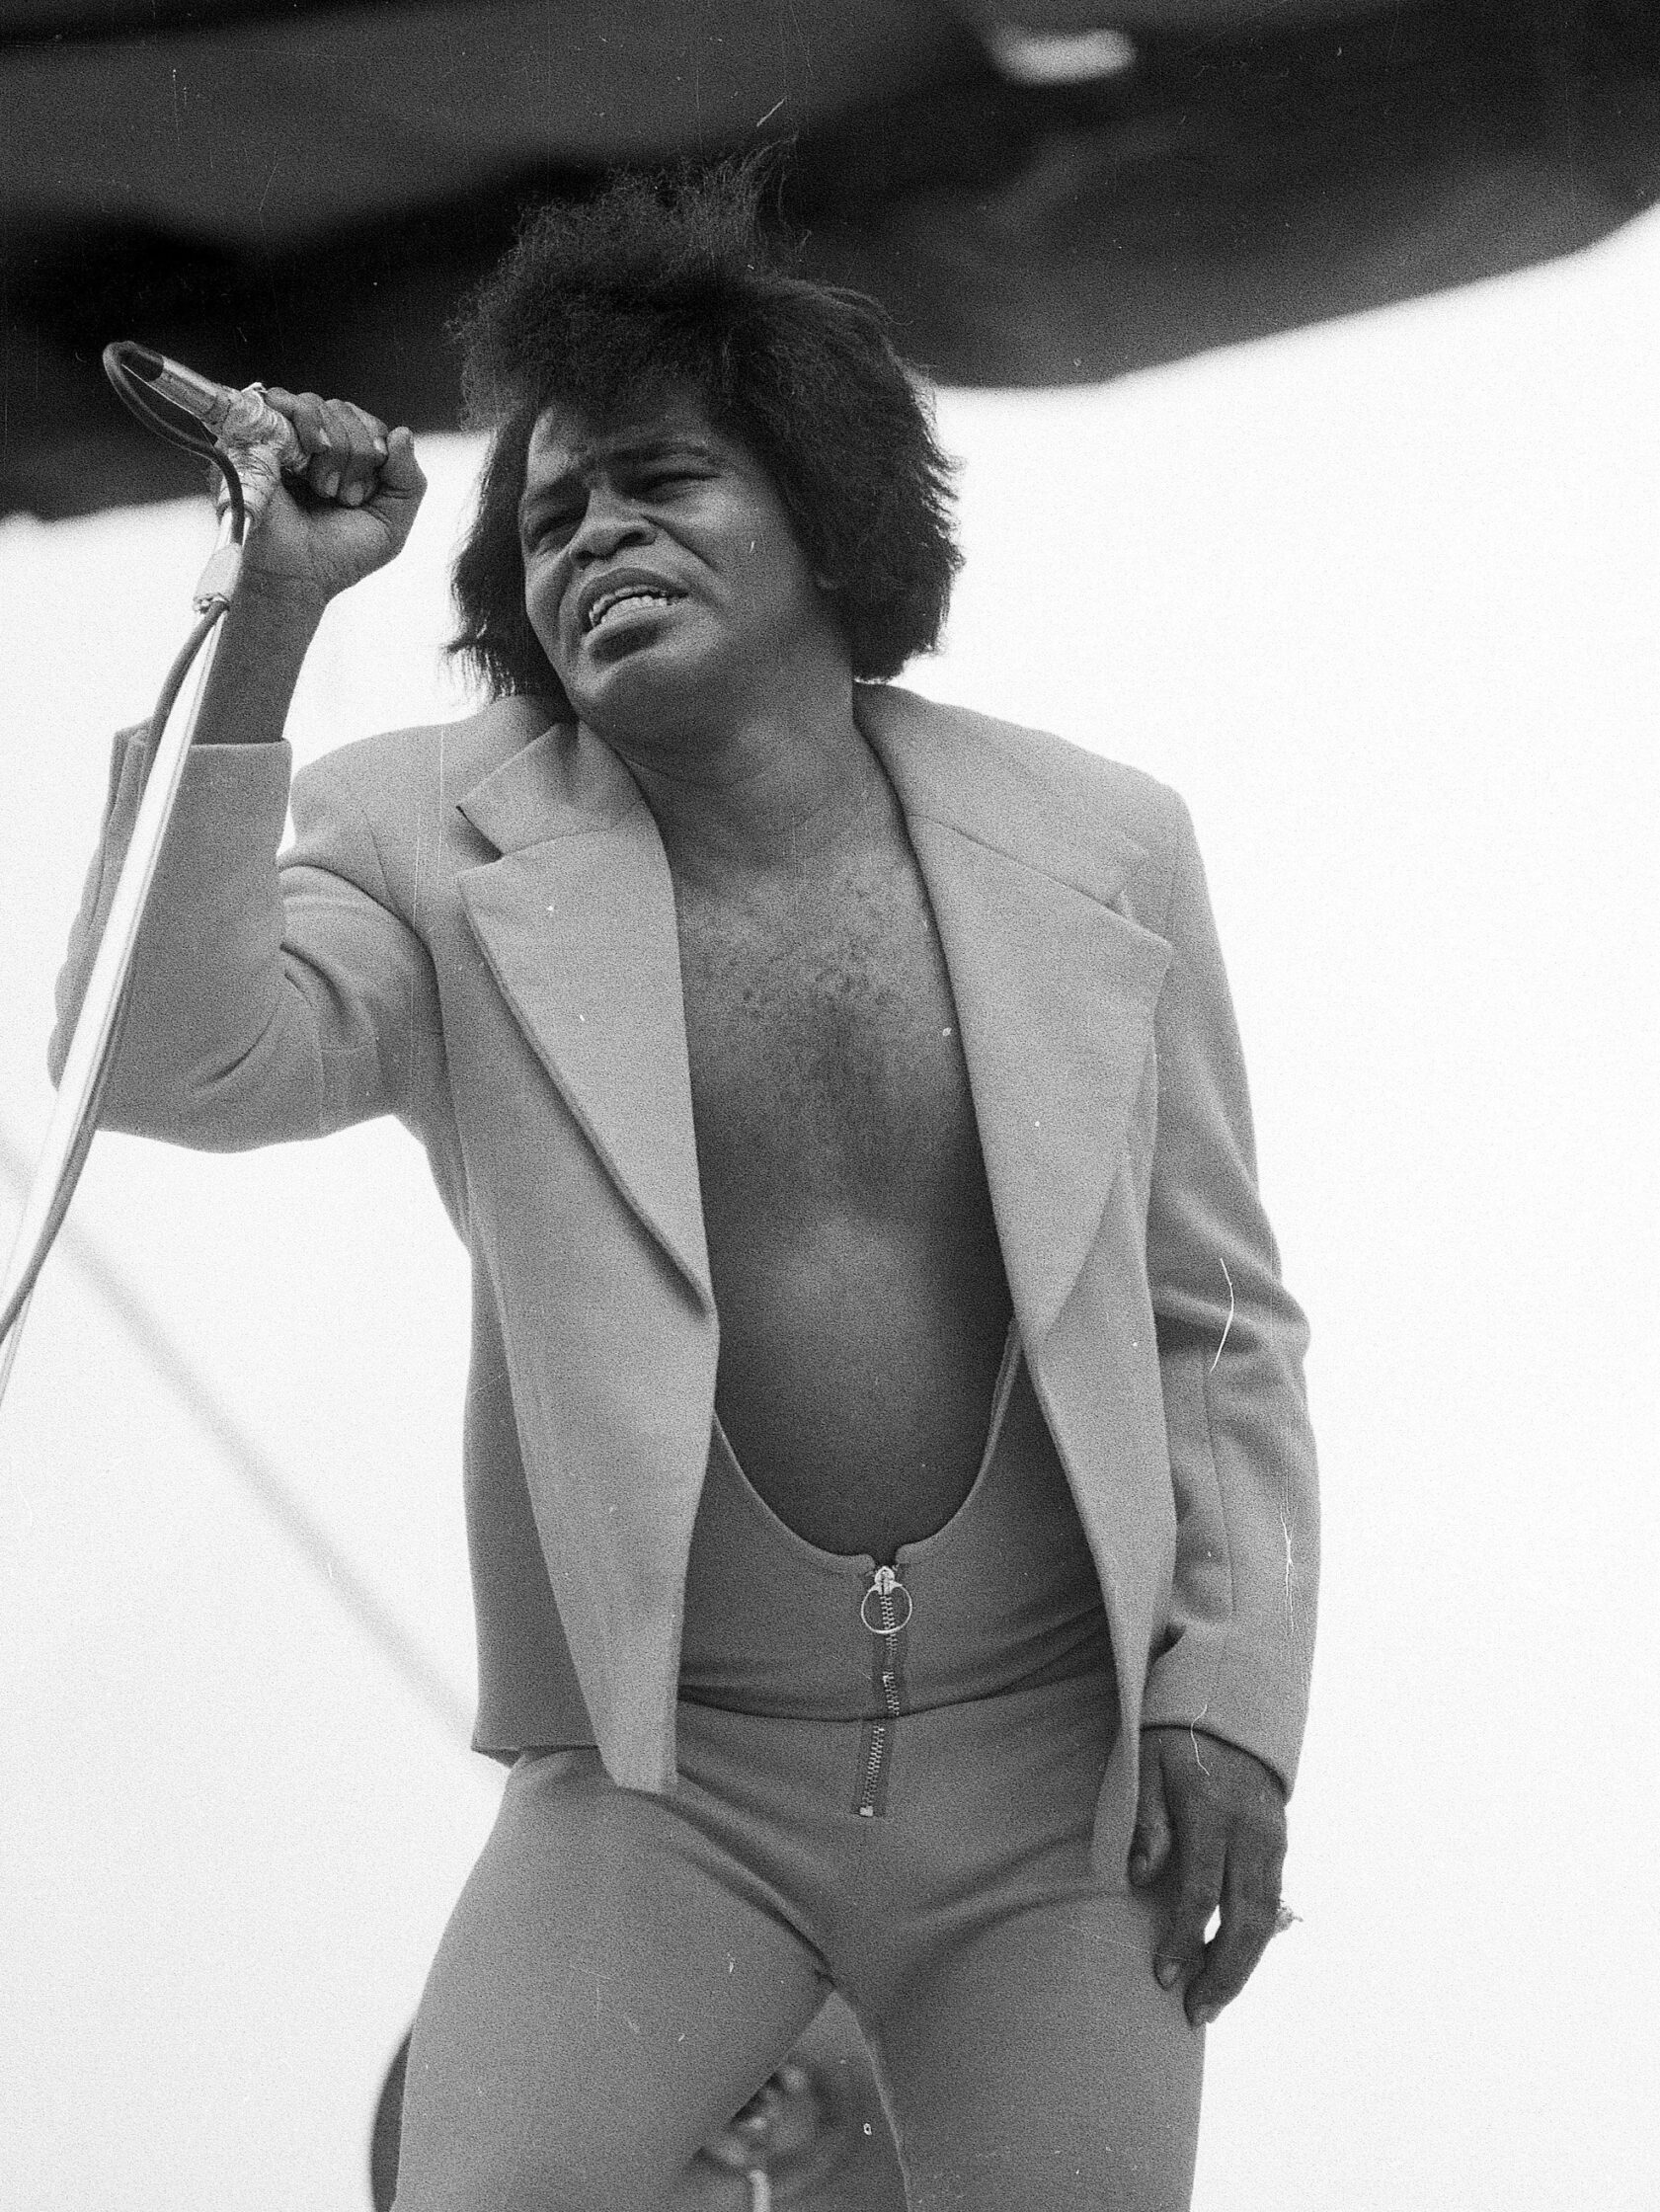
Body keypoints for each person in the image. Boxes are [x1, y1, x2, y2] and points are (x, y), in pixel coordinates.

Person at [52, 163, 1318, 2211]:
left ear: (826, 514)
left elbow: (1222, 1325)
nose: (592, 539)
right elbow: (162, 1057)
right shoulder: (433, 839)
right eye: (547, 519)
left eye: (655, 481)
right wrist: (271, 613)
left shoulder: (1101, 842)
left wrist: (1236, 1703)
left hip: (1045, 1783)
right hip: (665, 1779)